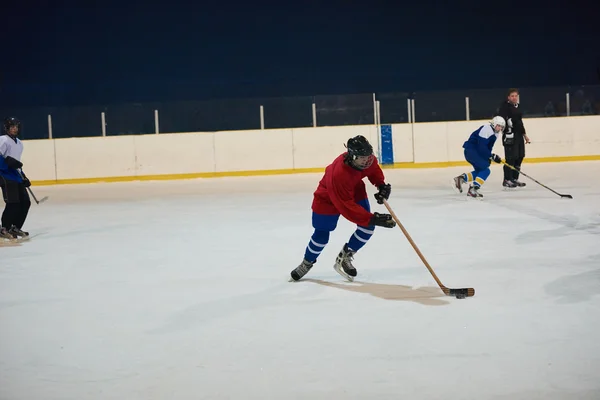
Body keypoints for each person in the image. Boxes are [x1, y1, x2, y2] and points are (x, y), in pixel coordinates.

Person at [289, 135, 396, 282]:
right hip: (327, 199)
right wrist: (371, 218)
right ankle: (307, 262)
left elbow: (374, 170)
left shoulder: (368, 160)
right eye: (362, 158)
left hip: (354, 190)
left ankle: (345, 256)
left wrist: (381, 185)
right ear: (352, 156)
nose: (367, 160)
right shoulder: (338, 174)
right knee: (321, 235)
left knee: (367, 228)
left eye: (368, 156)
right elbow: (347, 208)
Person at [452, 116, 506, 198]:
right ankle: (473, 189)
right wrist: (490, 156)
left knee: (480, 171)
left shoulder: (495, 133)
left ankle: (462, 179)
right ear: (494, 124)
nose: (499, 128)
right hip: (471, 151)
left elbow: (488, 147)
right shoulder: (486, 129)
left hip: (474, 151)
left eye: (501, 127)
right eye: (498, 126)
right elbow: (481, 146)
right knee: (486, 171)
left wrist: (490, 157)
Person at [0, 117, 31, 239]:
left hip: (15, 175)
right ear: (7, 128)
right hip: (4, 174)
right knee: (13, 203)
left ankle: (15, 227)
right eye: (12, 126)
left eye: (16, 126)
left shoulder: (19, 143)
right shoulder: (3, 140)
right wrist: (7, 162)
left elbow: (16, 162)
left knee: (25, 202)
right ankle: (4, 228)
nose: (14, 129)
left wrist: (23, 176)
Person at [495, 88, 531, 188]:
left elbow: (520, 123)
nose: (514, 98)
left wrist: (525, 135)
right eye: (512, 96)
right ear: (508, 97)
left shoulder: (517, 107)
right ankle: (507, 179)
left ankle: (515, 178)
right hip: (510, 136)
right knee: (510, 158)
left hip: (519, 136)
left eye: (516, 96)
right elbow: (499, 121)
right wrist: (504, 128)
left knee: (520, 156)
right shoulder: (504, 107)